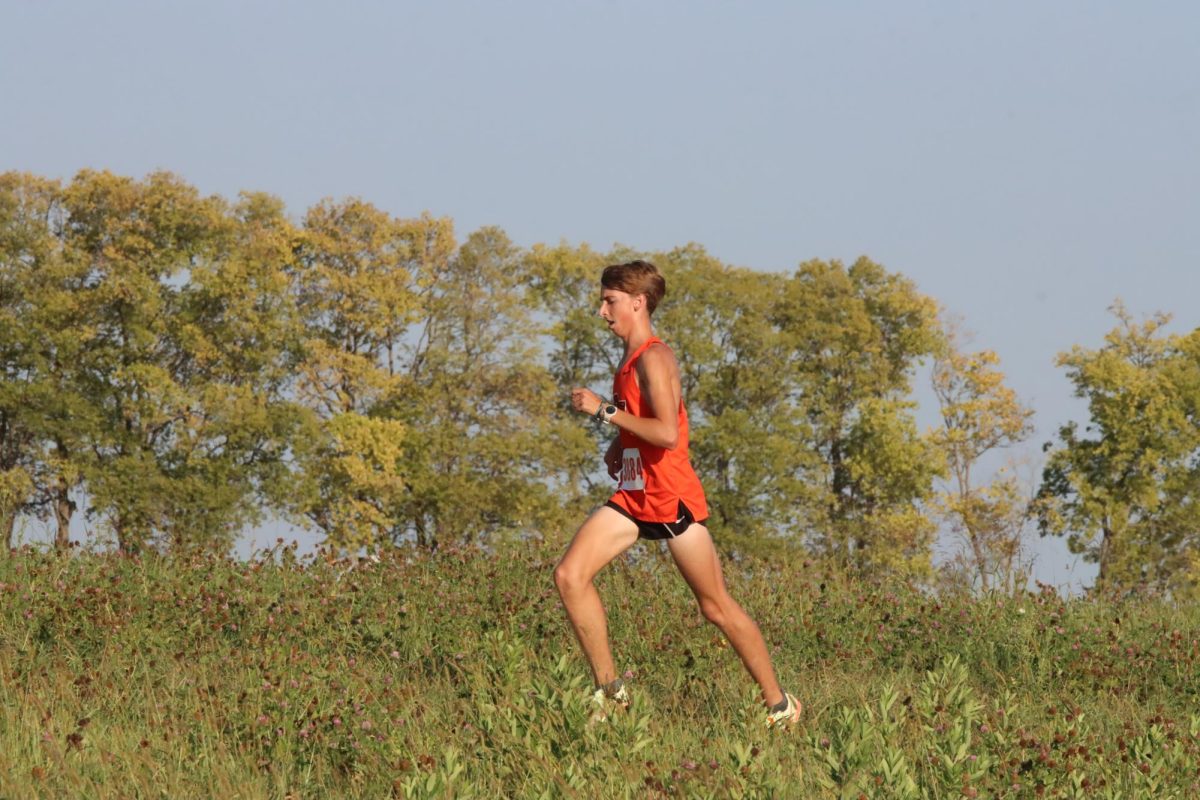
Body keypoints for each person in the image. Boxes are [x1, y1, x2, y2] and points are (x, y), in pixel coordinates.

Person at [556, 259, 800, 727]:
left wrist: (603, 412)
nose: (602, 311)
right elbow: (642, 422)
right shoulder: (629, 360)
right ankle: (612, 695)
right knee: (570, 576)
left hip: (671, 498)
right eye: (603, 300)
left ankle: (779, 705)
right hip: (634, 495)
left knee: (716, 608)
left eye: (610, 301)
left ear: (637, 302)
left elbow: (667, 433)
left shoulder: (653, 356)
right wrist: (617, 445)